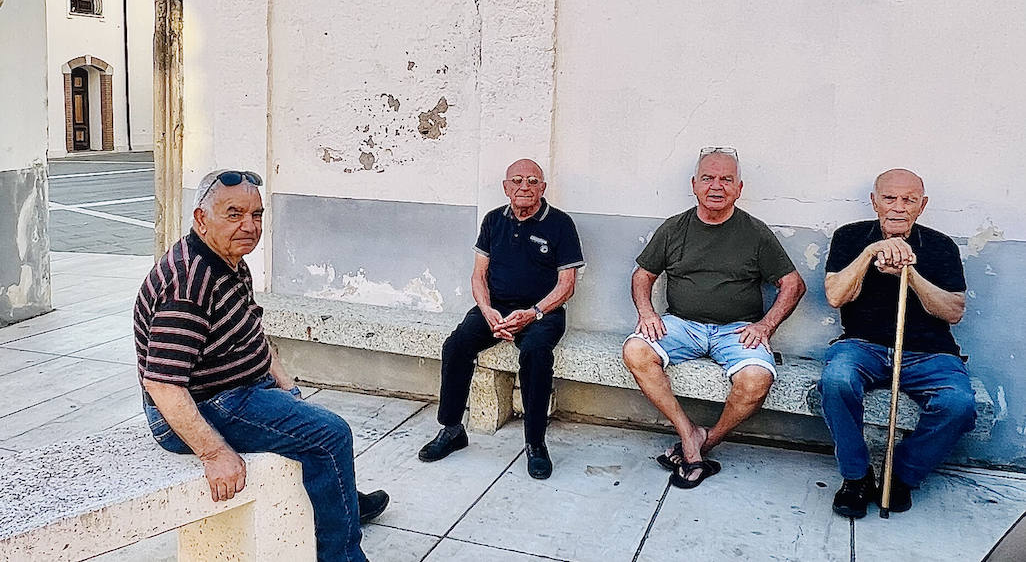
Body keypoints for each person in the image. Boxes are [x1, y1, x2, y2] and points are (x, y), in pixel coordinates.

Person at [135, 169, 388, 562]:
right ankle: (344, 555)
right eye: (233, 213)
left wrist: (286, 385)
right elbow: (163, 384)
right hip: (198, 408)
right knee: (332, 434)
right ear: (201, 219)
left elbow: (250, 332)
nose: (248, 226)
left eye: (256, 215)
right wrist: (214, 454)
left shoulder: (229, 259)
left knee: (310, 424)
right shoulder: (188, 285)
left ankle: (342, 505)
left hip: (236, 389)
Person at [621, 148, 806, 489]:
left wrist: (766, 325)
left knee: (757, 378)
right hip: (682, 324)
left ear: (739, 187)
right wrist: (646, 312)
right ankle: (687, 432)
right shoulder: (675, 228)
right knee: (635, 350)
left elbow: (793, 284)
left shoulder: (755, 232)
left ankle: (705, 442)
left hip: (737, 330)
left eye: (726, 179)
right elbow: (642, 275)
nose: (716, 186)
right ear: (694, 185)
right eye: (708, 178)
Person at [820, 168, 975, 518]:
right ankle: (857, 478)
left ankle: (900, 476)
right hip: (862, 345)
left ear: (922, 206)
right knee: (836, 380)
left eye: (909, 200)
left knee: (959, 404)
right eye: (890, 198)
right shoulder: (850, 236)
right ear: (875, 202)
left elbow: (954, 311)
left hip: (928, 352)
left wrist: (911, 276)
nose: (899, 207)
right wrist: (870, 253)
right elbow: (835, 295)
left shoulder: (941, 246)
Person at [418, 158, 585, 479]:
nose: (525, 187)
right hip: (495, 308)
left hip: (542, 312)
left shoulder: (561, 224)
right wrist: (487, 311)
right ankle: (452, 430)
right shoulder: (494, 220)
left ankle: (535, 444)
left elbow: (567, 286)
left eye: (533, 181)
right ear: (506, 187)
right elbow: (479, 275)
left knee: (536, 354)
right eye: (518, 181)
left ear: (543, 188)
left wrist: (534, 313)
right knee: (456, 345)